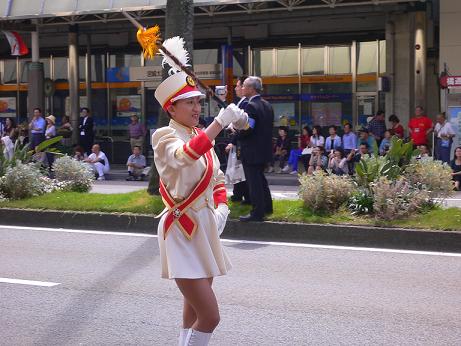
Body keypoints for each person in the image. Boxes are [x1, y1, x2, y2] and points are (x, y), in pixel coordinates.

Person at [152, 69, 247, 345]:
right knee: (210, 316)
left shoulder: (199, 134)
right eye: (189, 102)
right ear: (172, 108)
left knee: (192, 312)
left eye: (197, 101)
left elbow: (216, 175)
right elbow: (186, 156)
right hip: (183, 228)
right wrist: (219, 122)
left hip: (204, 225)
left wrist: (222, 207)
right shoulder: (164, 137)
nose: (196, 107)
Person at [238, 76, 274, 222]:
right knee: (261, 180)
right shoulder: (267, 105)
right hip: (264, 149)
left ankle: (257, 212)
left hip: (252, 151)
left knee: (254, 183)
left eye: (244, 86)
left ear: (252, 89)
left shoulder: (251, 106)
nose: (242, 88)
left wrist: (236, 131)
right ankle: (267, 207)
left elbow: (248, 128)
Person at [225, 74, 250, 204]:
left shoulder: (246, 103)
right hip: (238, 142)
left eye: (237, 86)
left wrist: (232, 141)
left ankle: (242, 195)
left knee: (241, 170)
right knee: (238, 170)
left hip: (241, 142)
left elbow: (242, 126)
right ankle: (238, 194)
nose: (235, 88)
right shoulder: (242, 103)